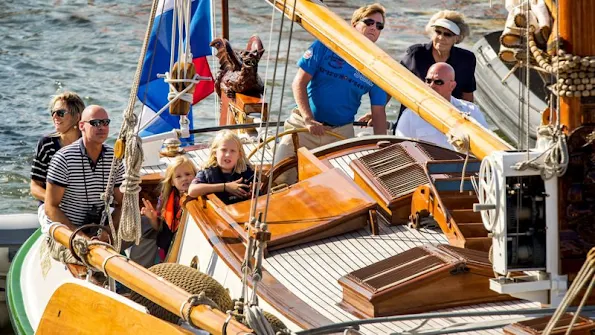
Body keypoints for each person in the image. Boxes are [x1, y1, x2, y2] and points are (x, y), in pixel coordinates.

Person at [274, 3, 388, 184]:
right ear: (354, 24)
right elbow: (299, 83)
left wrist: (381, 148)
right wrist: (308, 119)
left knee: (337, 188)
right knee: (279, 178)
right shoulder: (325, 46)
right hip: (303, 126)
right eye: (369, 22)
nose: (374, 27)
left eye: (379, 26)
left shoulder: (378, 66)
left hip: (340, 134)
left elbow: (379, 112)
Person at [395, 62, 488, 150]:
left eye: (438, 82)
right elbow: (402, 151)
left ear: (452, 86)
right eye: (428, 81)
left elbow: (485, 145)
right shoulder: (411, 115)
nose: (431, 86)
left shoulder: (471, 111)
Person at [31, 92, 85, 234]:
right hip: (50, 205)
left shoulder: (88, 145)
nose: (55, 117)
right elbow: (35, 187)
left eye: (60, 113)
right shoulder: (46, 144)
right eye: (53, 112)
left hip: (82, 206)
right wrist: (57, 202)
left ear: (77, 116)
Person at [402, 10, 475, 103]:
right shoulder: (415, 54)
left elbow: (467, 95)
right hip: (415, 111)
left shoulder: (466, 59)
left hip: (450, 113)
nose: (441, 37)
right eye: (438, 32)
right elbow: (394, 82)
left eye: (448, 34)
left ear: (457, 38)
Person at [141, 156, 197, 258]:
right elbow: (159, 227)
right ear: (172, 182)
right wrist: (152, 218)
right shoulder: (166, 199)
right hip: (169, 248)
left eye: (188, 174)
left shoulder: (199, 198)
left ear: (195, 175)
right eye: (178, 176)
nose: (184, 178)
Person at [188, 130, 255, 205]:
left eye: (232, 151)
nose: (228, 155)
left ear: (239, 155)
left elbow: (260, 195)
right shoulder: (207, 173)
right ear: (215, 153)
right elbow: (192, 191)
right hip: (219, 213)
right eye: (223, 150)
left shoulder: (246, 171)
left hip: (242, 211)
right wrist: (225, 187)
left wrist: (252, 196)